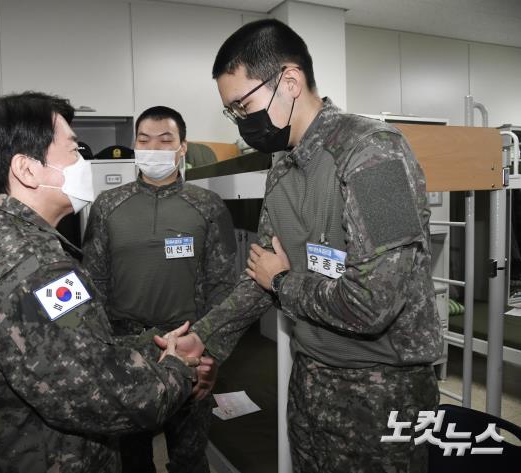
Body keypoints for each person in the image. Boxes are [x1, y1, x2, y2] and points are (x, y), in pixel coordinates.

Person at [157, 19, 443, 472]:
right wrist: (204, 336)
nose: (241, 121)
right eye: (232, 112)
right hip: (311, 375)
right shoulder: (283, 168)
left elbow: (375, 302)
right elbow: (262, 276)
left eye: (242, 105)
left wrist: (284, 282)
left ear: (289, 81)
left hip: (383, 388)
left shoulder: (375, 153)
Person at [0, 92, 195, 473]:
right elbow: (110, 398)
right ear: (28, 170)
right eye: (72, 150)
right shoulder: (35, 271)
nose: (83, 163)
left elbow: (73, 347)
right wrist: (178, 367)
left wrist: (148, 348)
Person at [82, 106, 237, 473]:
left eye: (165, 140)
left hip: (188, 344)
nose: (153, 147)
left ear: (182, 147)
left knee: (188, 456)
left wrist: (211, 354)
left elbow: (223, 287)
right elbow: (95, 283)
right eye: (144, 140)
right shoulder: (107, 206)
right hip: (126, 348)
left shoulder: (208, 206)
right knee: (132, 457)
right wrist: (102, 353)